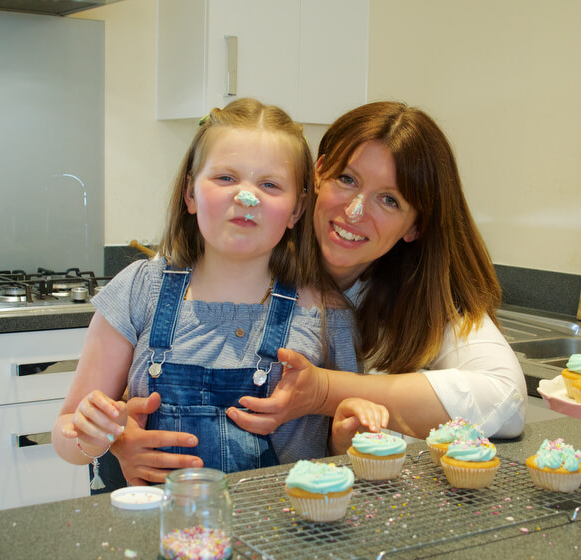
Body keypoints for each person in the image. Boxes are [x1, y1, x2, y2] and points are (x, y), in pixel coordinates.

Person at [111, 101, 528, 486]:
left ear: (415, 226)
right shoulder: (217, 260)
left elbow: (505, 401)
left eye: (389, 199)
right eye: (347, 179)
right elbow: (99, 411)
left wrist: (327, 393)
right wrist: (118, 439)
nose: (355, 210)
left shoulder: (415, 299)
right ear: (317, 174)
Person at [52, 98, 366, 487]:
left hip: (275, 540)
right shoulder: (139, 290)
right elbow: (66, 435)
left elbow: (341, 458)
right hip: (150, 536)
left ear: (297, 210)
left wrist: (349, 436)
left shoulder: (326, 314)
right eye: (225, 178)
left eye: (269, 184)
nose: (245, 197)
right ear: (190, 194)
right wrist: (93, 434)